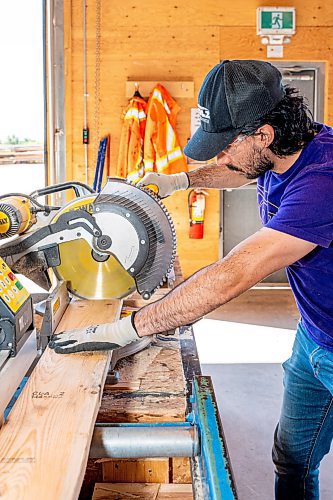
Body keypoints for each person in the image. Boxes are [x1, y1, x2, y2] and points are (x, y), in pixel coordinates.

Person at [49, 59, 333, 499]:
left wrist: (128, 327)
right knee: (292, 460)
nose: (219, 156)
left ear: (263, 134)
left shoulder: (323, 182)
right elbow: (241, 169)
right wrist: (180, 180)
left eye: (224, 145)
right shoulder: (286, 148)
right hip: (314, 337)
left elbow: (231, 274)